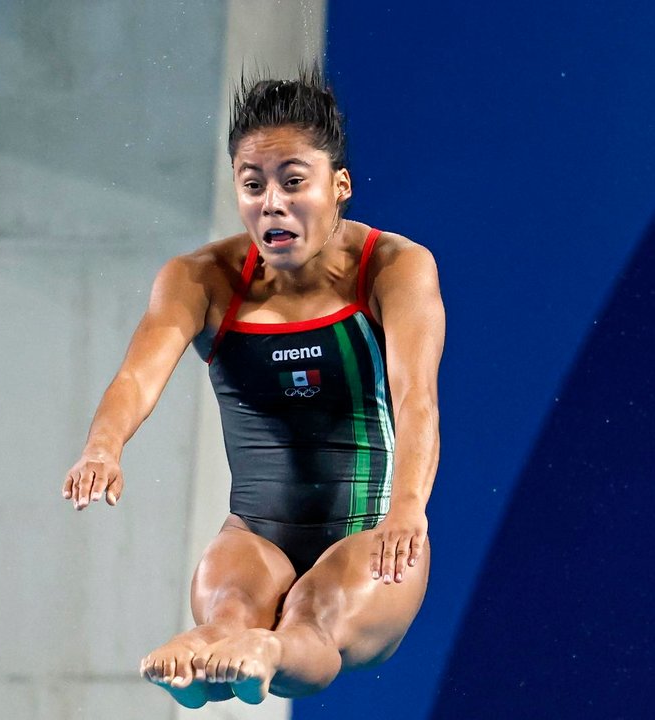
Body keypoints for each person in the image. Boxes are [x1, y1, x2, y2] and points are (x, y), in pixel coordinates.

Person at [61, 66, 445, 707]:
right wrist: (103, 446)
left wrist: (407, 509)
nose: (273, 203)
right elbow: (135, 377)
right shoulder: (201, 279)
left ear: (339, 186)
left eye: (294, 182)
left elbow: (416, 400)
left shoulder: (394, 267)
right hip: (256, 535)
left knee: (313, 620)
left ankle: (269, 650)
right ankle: (216, 640)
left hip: (369, 530)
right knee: (232, 604)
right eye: (253, 185)